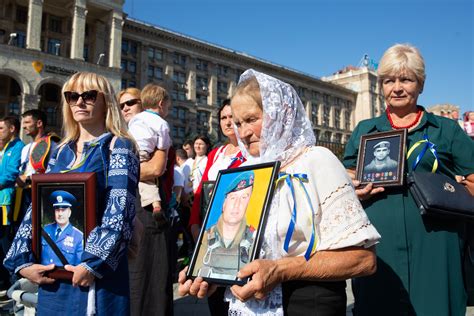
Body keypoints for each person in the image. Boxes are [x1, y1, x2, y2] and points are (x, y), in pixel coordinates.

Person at [179, 69, 380, 315]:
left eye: (252, 119)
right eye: (238, 123)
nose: (243, 132)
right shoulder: (241, 172)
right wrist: (210, 274)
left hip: (307, 304)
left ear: (280, 114)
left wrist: (283, 269)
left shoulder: (315, 161)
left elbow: (363, 259)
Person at [343, 44, 474, 316]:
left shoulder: (446, 130)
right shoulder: (365, 130)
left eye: (406, 79)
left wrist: (458, 190)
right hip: (380, 247)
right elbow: (345, 176)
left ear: (421, 84)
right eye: (389, 80)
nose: (397, 88)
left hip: (438, 245)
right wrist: (353, 187)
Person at [4, 72, 139, 315]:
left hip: (95, 277)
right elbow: (38, 207)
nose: (79, 102)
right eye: (72, 96)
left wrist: (91, 265)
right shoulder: (60, 150)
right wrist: (22, 262)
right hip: (54, 272)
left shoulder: (118, 146)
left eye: (88, 95)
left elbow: (119, 211)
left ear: (105, 100)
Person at [126, 84, 174, 316]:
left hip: (147, 215)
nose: (126, 108)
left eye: (131, 103)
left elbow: (157, 169)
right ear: (162, 104)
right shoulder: (160, 124)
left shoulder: (133, 125)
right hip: (134, 204)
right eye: (121, 104)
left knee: (151, 271)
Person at [194, 171, 255, 281]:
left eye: (244, 198)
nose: (237, 205)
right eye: (233, 198)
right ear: (224, 203)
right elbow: (196, 271)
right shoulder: (207, 235)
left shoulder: (253, 237)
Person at [127, 84, 171, 222]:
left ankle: (154, 203)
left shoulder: (137, 118)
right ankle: (156, 204)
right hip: (144, 152)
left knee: (143, 178)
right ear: (161, 104)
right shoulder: (161, 123)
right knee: (148, 179)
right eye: (168, 107)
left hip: (130, 149)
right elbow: (163, 144)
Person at [16, 109, 60, 226]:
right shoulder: (25, 148)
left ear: (39, 123)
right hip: (23, 195)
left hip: (40, 194)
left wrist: (30, 179)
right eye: (23, 123)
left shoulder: (52, 144)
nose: (23, 126)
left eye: (27, 122)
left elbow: (56, 173)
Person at [0, 116, 24, 291]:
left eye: (1, 128)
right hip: (1, 200)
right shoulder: (7, 147)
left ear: (12, 129)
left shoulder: (18, 147)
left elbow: (10, 174)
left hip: (7, 202)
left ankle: (14, 286)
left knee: (6, 243)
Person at [42, 190, 83, 266]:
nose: (60, 214)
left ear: (69, 213)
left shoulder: (79, 237)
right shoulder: (45, 230)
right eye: (57, 210)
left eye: (63, 210)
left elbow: (79, 267)